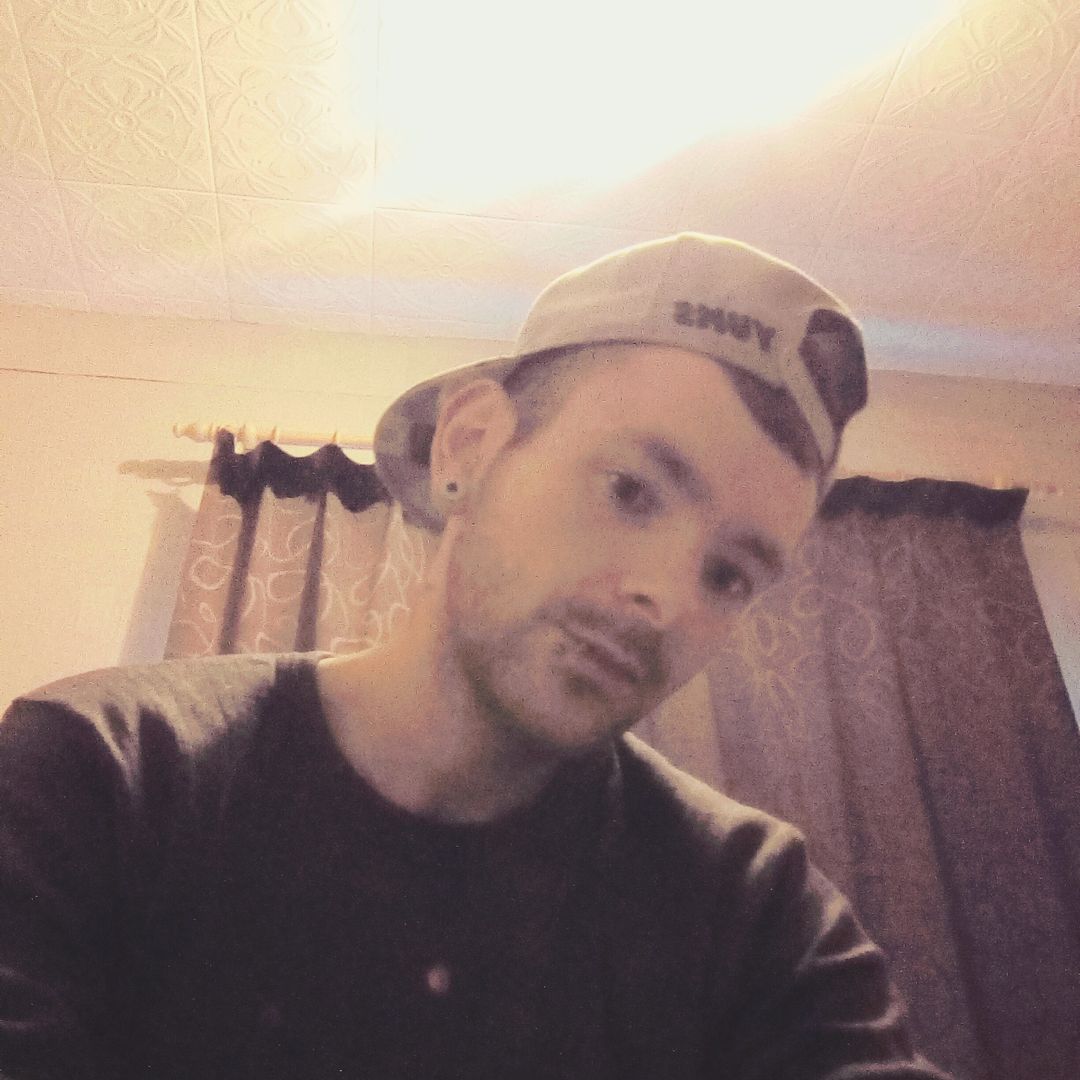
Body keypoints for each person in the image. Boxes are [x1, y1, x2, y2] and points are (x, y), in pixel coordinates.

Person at [0, 234, 952, 1079]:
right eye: (629, 490)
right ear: (468, 445)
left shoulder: (754, 911)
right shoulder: (97, 774)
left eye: (730, 574)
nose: (666, 599)